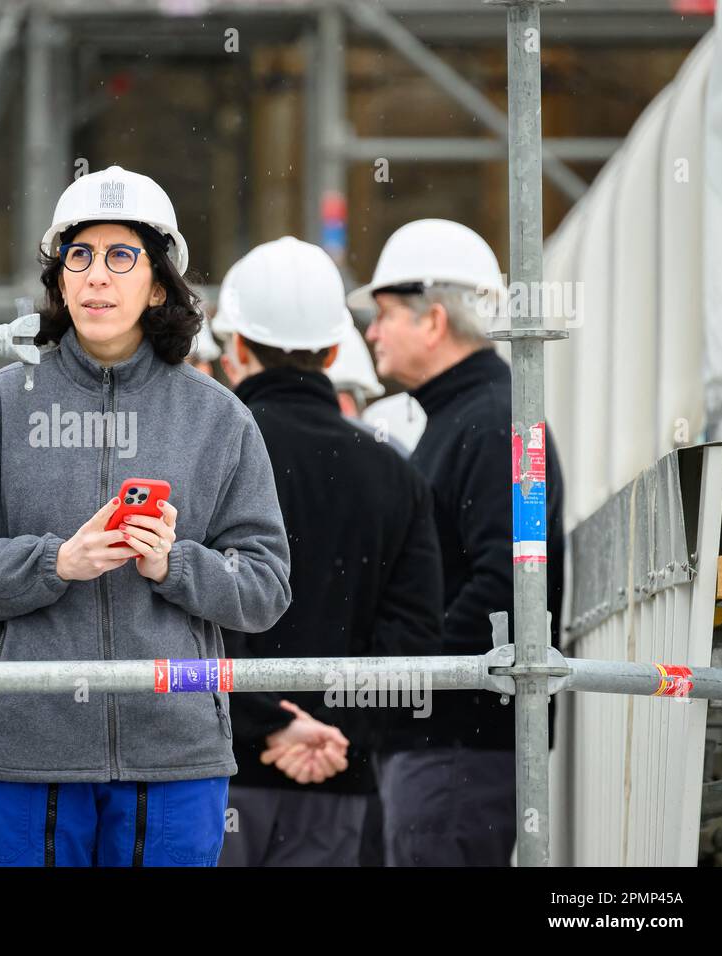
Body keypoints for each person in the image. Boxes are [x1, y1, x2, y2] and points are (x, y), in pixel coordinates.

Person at [0, 165, 292, 867]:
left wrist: (174, 565)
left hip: (173, 760)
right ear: (59, 279)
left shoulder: (218, 419)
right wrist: (54, 562)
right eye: (78, 257)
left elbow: (266, 586)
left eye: (122, 257)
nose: (96, 277)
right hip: (22, 759)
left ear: (157, 285)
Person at [209, 236, 444, 867]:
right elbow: (413, 641)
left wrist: (267, 724)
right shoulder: (395, 475)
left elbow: (177, 617)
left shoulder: (206, 459)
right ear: (336, 348)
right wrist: (335, 730)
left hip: (215, 776)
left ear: (234, 350)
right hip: (340, 776)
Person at [349, 218, 566, 866]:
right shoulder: (471, 419)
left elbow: (509, 586)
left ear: (434, 321)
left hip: (457, 754)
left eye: (385, 314)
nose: (371, 331)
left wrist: (402, 666)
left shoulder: (495, 422)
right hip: (446, 748)